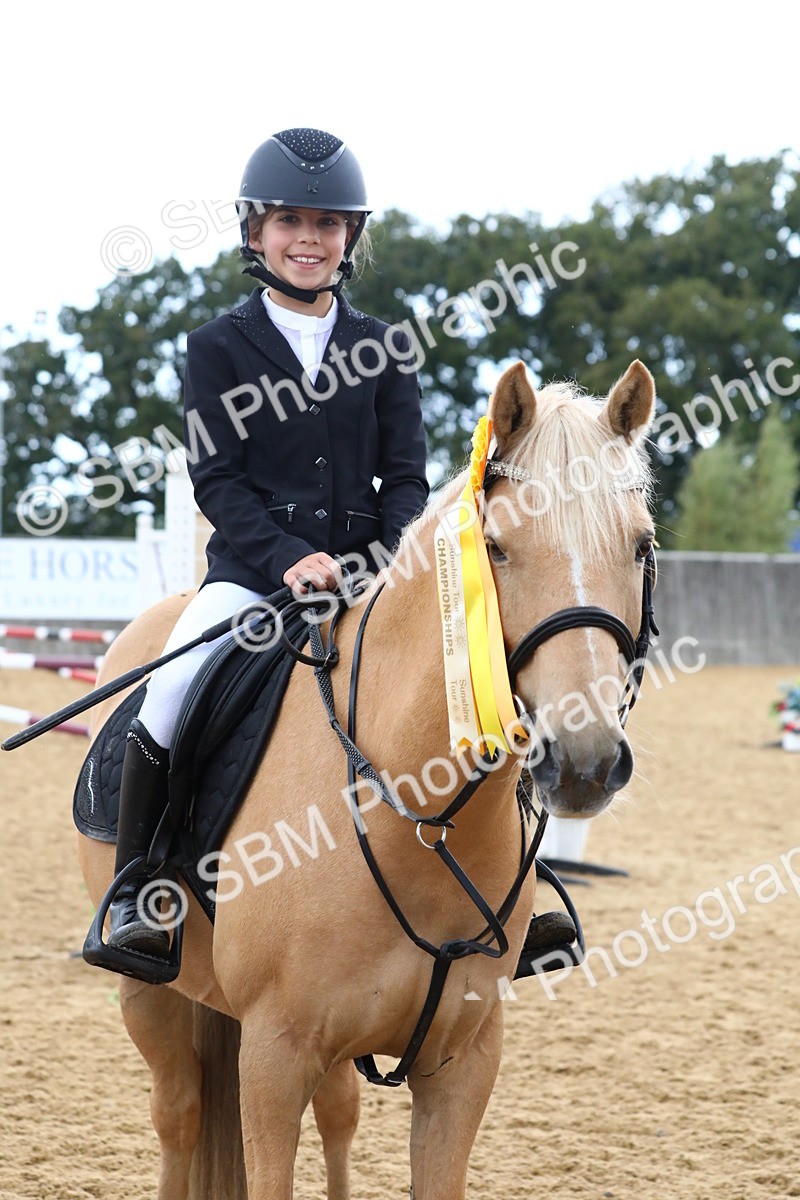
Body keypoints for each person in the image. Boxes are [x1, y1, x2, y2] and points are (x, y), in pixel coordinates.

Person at [97, 127, 429, 968]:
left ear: (350, 236)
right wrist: (286, 558)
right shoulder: (216, 347)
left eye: (325, 223)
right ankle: (141, 886)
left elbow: (408, 482)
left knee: (480, 677)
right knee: (169, 689)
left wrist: (382, 562)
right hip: (255, 581)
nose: (308, 240)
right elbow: (218, 482)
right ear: (254, 233)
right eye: (289, 222)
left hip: (370, 581)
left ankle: (526, 889)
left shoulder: (386, 349)